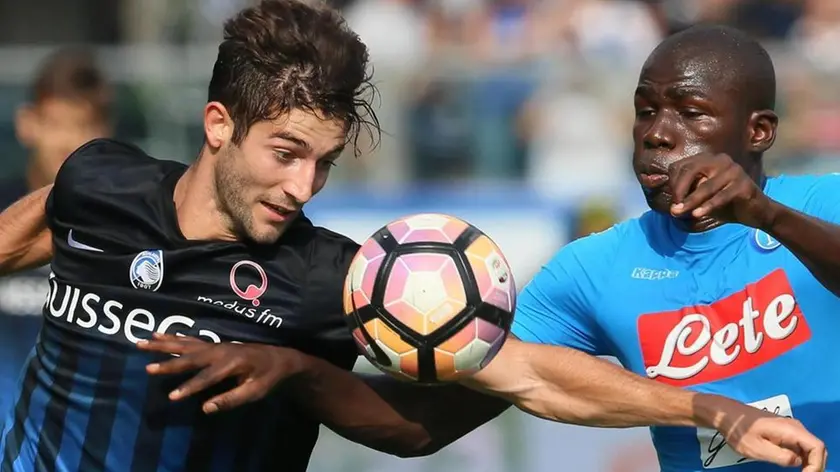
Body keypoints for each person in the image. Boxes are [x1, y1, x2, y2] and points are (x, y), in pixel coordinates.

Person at [0, 13, 826, 472]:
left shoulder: (332, 278)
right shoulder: (97, 183)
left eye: (324, 163)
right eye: (286, 154)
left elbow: (529, 373)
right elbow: (30, 228)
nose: (303, 187)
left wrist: (711, 409)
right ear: (219, 124)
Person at [0, 47, 111, 416]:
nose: (66, 141)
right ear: (27, 123)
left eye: (81, 125)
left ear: (103, 133)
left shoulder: (126, 228)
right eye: (54, 123)